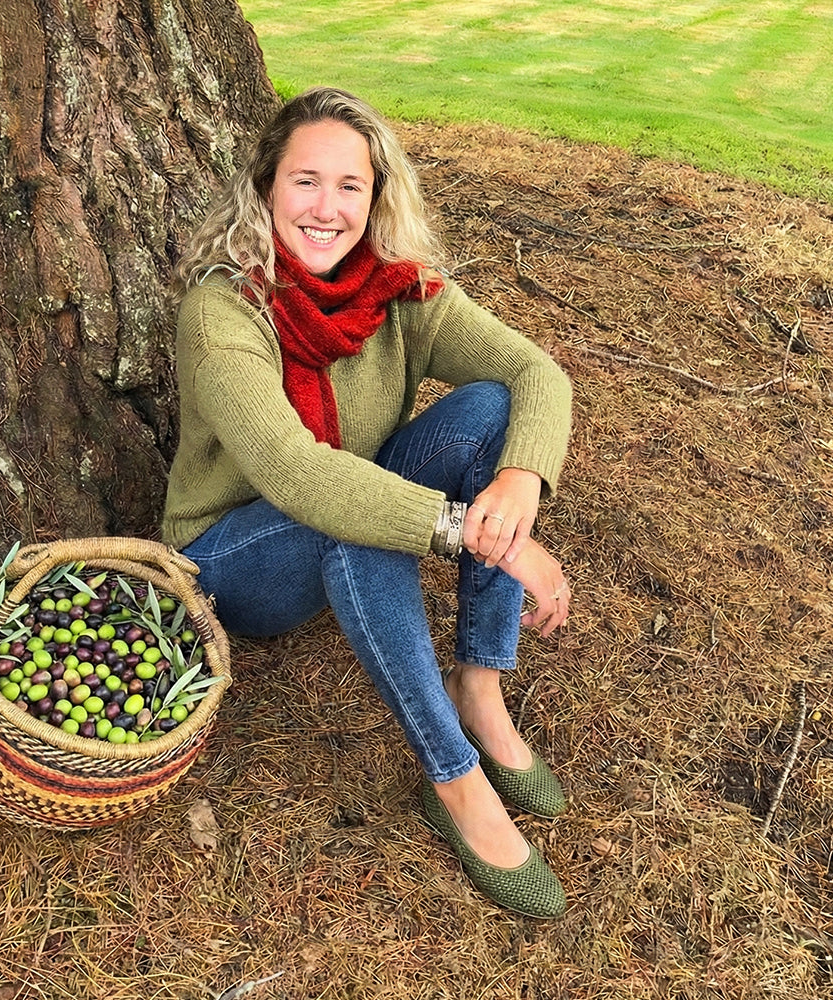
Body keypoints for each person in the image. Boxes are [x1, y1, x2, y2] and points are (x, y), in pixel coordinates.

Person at [162, 87, 573, 919]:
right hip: (233, 559)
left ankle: (481, 690)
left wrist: (521, 479)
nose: (327, 208)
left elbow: (538, 375)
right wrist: (481, 537)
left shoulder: (395, 290)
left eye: (350, 186)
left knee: (491, 413)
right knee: (356, 516)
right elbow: (297, 472)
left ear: (377, 197)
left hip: (338, 491)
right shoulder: (223, 310)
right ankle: (455, 781)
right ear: (266, 187)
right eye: (305, 181)